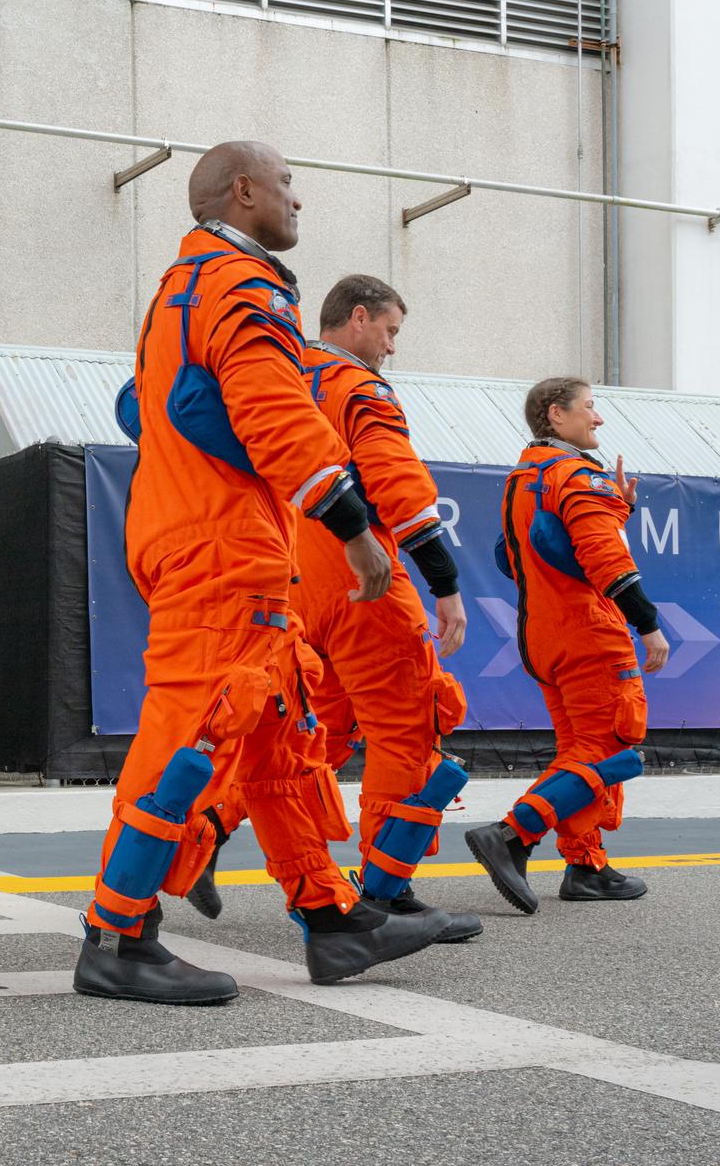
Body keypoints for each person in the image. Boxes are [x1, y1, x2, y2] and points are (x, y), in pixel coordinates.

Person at [75, 140, 448, 1007]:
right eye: (287, 185)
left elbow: (146, 406)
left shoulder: (184, 290)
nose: (298, 202)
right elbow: (272, 410)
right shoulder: (239, 285)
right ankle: (118, 933)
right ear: (243, 192)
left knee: (282, 739)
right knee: (189, 734)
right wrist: (351, 527)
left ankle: (334, 922)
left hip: (224, 541)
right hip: (222, 548)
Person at [186, 276, 482, 943]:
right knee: (411, 719)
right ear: (357, 319)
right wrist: (445, 584)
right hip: (358, 571)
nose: (392, 348)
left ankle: (202, 832)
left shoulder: (281, 369)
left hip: (285, 568)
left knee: (310, 734)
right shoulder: (359, 388)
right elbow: (396, 483)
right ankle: (387, 891)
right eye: (390, 331)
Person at [465, 377, 671, 912]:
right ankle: (512, 834)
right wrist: (647, 624)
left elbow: (516, 557)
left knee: (578, 753)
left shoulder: (523, 479)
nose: (597, 418)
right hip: (589, 633)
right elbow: (605, 559)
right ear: (556, 416)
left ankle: (586, 866)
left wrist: (617, 510)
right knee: (611, 749)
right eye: (590, 407)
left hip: (542, 636)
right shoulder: (578, 476)